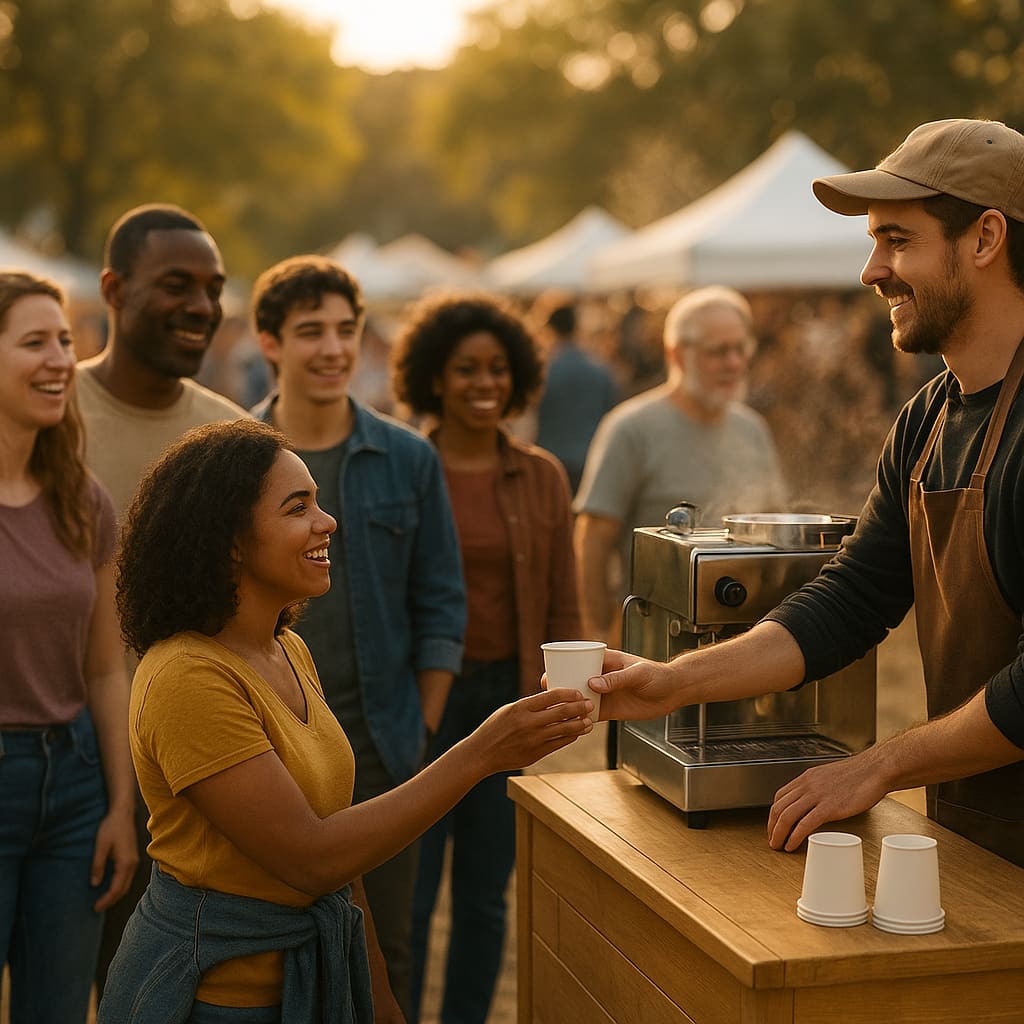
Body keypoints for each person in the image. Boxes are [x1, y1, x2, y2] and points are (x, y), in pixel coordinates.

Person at [588, 118, 1024, 868]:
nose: (871, 270)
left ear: (984, 239)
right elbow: (851, 598)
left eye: (897, 239)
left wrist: (879, 763)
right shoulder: (927, 417)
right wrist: (671, 684)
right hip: (979, 834)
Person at [96, 419, 592, 1023]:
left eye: (319, 502)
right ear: (230, 540)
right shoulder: (186, 678)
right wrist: (481, 753)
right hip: (211, 998)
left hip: (309, 984)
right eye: (297, 507)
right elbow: (312, 858)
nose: (327, 521)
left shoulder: (287, 649)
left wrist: (379, 999)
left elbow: (338, 856)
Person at [249, 255, 466, 1016]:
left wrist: (425, 723)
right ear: (269, 341)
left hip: (382, 744)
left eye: (347, 329)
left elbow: (442, 602)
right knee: (274, 946)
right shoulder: (232, 459)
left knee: (389, 950)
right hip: (265, 745)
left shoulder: (408, 457)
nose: (334, 347)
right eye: (311, 331)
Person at [390, 292, 581, 1024]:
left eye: (498, 369)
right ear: (433, 376)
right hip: (422, 705)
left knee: (483, 895)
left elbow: (562, 599)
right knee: (409, 889)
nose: (484, 383)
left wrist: (567, 695)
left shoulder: (542, 476)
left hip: (508, 701)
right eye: (466, 368)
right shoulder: (405, 467)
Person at [77, 203, 249, 995]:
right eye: (175, 284)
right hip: (55, 742)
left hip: (187, 760)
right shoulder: (49, 417)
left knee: (151, 989)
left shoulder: (229, 443)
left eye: (212, 288)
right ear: (114, 288)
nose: (202, 306)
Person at [0, 272, 136, 1022]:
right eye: (32, 342)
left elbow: (106, 668)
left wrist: (120, 805)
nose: (58, 359)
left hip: (75, 790)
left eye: (62, 340)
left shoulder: (84, 502)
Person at [574, 285, 787, 648]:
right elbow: (593, 538)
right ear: (676, 354)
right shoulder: (631, 428)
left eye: (741, 348)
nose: (734, 362)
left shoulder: (752, 429)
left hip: (746, 639)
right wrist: (597, 634)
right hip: (656, 641)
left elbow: (775, 526)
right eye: (718, 351)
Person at [532, 294, 619, 494]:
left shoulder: (545, 371)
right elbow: (611, 410)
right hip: (590, 458)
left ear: (550, 329)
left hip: (551, 458)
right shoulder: (599, 369)